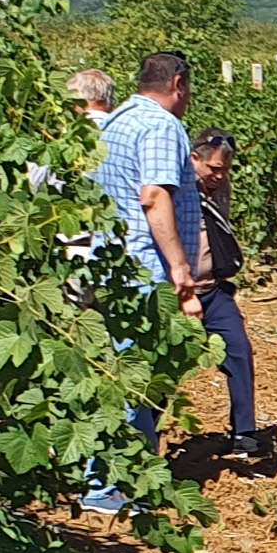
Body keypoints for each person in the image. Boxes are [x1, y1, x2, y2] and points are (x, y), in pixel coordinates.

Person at [84, 51, 200, 514]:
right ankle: (119, 487)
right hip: (143, 272)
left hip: (113, 266)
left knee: (118, 375)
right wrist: (179, 266)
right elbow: (153, 197)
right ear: (178, 83)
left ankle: (103, 479)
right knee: (138, 379)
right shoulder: (159, 125)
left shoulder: (117, 121)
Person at [192, 128, 260, 464]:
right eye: (213, 169)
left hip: (212, 290)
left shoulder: (220, 190)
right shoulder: (175, 192)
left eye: (225, 170)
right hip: (176, 293)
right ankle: (150, 440)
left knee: (238, 350)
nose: (219, 176)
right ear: (194, 160)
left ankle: (244, 433)